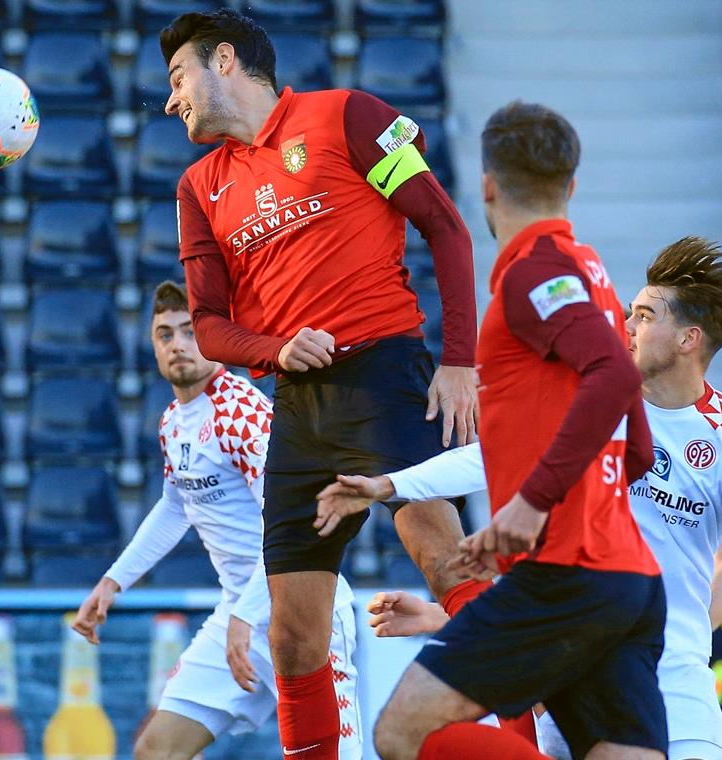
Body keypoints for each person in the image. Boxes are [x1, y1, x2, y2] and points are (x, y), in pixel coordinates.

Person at [321, 238, 722, 760]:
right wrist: (391, 485)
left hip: (675, 682)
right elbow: (500, 456)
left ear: (688, 338)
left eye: (643, 315)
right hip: (578, 673)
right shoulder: (595, 399)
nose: (627, 326)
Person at [159, 9, 482, 758]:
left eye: (178, 79)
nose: (172, 100)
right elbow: (208, 326)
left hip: (385, 379)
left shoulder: (350, 117)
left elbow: (446, 227)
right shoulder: (198, 187)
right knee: (293, 637)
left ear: (226, 61)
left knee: (451, 572)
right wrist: (275, 347)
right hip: (298, 409)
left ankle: (531, 736)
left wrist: (459, 359)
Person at [346, 100, 666, 760]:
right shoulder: (588, 270)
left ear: (486, 185)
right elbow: (636, 445)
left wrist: (531, 505)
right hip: (627, 577)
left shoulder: (533, 273)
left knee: (403, 732)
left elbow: (614, 375)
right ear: (571, 186)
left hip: (565, 575)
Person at [71, 282, 361, 760]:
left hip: (307, 610)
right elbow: (173, 506)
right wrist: (112, 582)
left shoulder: (241, 412)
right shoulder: (173, 421)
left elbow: (294, 521)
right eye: (165, 335)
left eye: (190, 331)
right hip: (240, 612)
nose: (178, 345)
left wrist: (247, 615)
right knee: (155, 751)